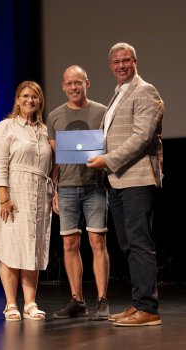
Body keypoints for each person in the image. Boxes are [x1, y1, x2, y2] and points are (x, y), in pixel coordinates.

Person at [87, 42, 164, 327]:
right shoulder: (118, 94)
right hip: (118, 180)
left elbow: (142, 137)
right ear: (110, 66)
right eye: (116, 62)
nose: (121, 65)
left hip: (136, 177)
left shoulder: (145, 90)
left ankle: (149, 309)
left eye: (126, 60)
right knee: (128, 244)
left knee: (140, 243)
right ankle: (139, 302)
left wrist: (108, 159)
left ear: (135, 61)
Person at [46, 65, 110, 320]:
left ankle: (102, 300)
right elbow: (56, 158)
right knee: (70, 242)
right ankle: (77, 300)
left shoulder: (102, 112)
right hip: (68, 187)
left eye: (78, 82)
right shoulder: (54, 116)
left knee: (97, 241)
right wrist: (54, 189)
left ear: (87, 83)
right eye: (69, 83)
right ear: (63, 86)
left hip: (95, 186)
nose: (74, 87)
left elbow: (111, 147)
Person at [0, 81, 53, 322]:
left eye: (35, 97)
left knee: (32, 249)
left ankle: (30, 303)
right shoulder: (6, 127)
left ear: (40, 101)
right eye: (25, 96)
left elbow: (51, 165)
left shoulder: (45, 131)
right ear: (16, 99)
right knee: (10, 247)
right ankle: (11, 303)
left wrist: (52, 191)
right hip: (12, 192)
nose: (30, 100)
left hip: (39, 193)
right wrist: (4, 197)